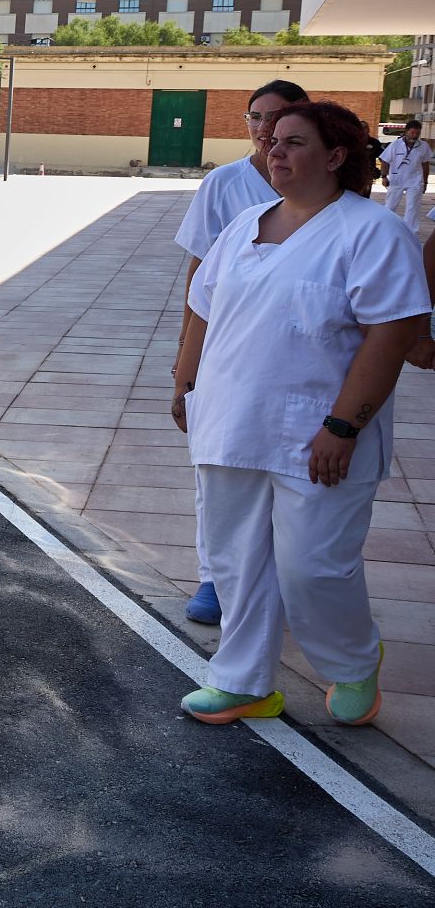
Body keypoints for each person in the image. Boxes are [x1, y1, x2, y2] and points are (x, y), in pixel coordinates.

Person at [171, 101, 428, 727]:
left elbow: (391, 335)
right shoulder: (245, 226)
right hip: (231, 422)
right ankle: (243, 682)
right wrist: (186, 381)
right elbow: (202, 307)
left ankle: (352, 662)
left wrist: (344, 426)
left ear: (336, 157)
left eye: (293, 142)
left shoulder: (371, 232)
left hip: (321, 436)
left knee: (313, 567)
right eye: (270, 140)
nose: (274, 151)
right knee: (235, 562)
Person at [171, 79, 307, 625]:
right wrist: (186, 359)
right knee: (217, 466)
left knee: (284, 480)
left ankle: (279, 581)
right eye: (255, 117)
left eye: (277, 119)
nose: (264, 129)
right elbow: (199, 272)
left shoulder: (330, 197)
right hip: (227, 347)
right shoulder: (224, 184)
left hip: (292, 356)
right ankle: (215, 577)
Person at [378, 118, 431, 228]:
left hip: (415, 180)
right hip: (397, 179)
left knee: (413, 207)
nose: (414, 136)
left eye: (417, 133)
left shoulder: (423, 146)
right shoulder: (395, 145)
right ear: (406, 131)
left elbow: (425, 164)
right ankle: (387, 227)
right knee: (390, 205)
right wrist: (384, 176)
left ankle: (411, 231)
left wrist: (425, 182)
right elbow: (385, 160)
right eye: (412, 132)